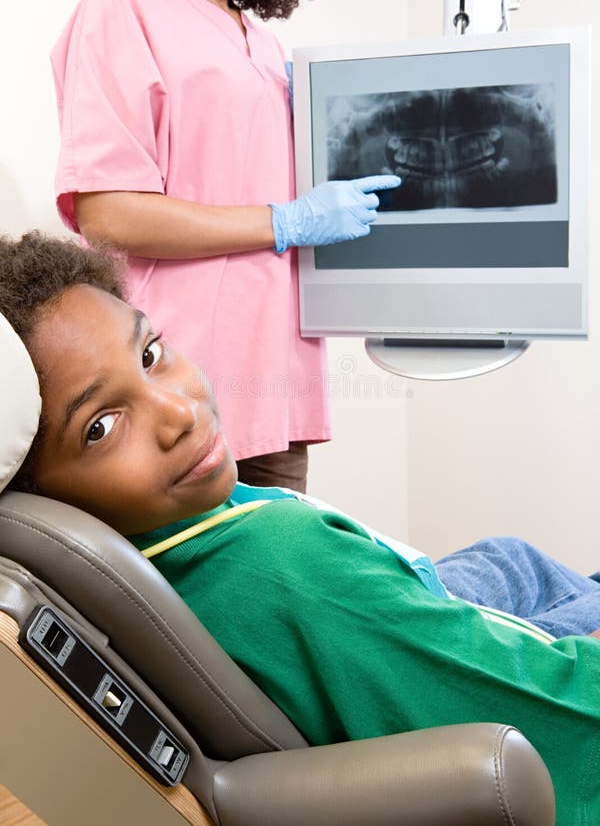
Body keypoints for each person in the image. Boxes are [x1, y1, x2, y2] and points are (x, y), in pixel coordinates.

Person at [2, 231, 600, 826]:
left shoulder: (151, 538)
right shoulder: (285, 565)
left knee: (510, 558)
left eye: (151, 355)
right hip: (401, 643)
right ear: (39, 483)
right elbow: (566, 723)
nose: (181, 413)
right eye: (101, 427)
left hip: (350, 612)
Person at [51, 0, 401, 494]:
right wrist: (284, 221)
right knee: (184, 580)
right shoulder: (120, 9)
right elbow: (109, 214)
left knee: (278, 575)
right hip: (173, 386)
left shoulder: (263, 45)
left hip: (276, 385)